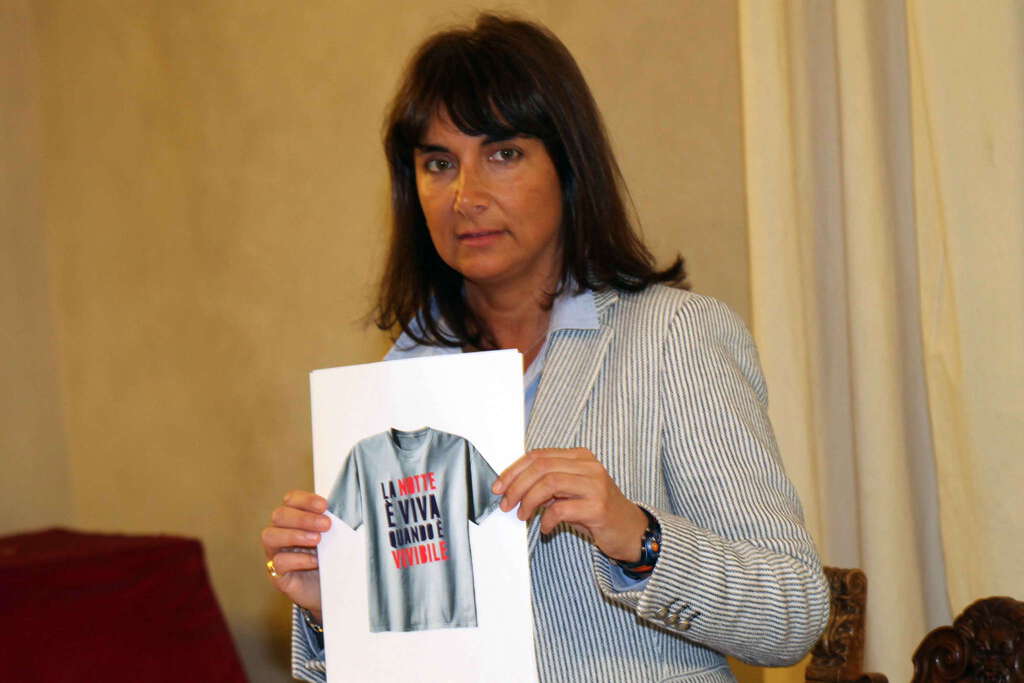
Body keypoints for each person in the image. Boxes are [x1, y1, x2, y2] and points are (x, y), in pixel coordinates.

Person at [261, 13, 829, 683]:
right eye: (439, 164)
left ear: (567, 166)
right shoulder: (400, 381)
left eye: (503, 154)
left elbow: (793, 610)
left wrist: (636, 535)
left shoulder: (673, 337)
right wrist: (335, 611)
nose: (465, 196)